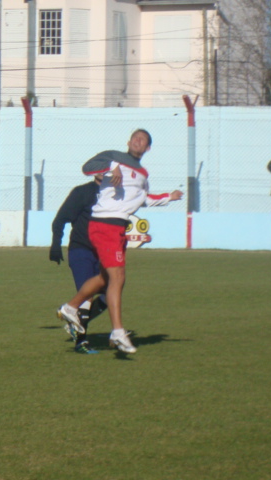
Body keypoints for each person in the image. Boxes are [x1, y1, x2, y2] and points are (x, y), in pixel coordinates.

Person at [57, 129, 183, 354]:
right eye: (135, 137)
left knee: (105, 278)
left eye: (142, 139)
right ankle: (117, 332)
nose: (137, 140)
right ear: (128, 141)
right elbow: (87, 168)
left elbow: (144, 199)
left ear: (147, 148)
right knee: (118, 277)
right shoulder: (113, 157)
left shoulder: (143, 174)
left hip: (117, 227)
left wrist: (169, 197)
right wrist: (111, 167)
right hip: (105, 223)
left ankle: (71, 307)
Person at [50, 175, 108, 354]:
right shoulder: (82, 192)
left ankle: (74, 320)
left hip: (103, 252)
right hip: (81, 250)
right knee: (86, 295)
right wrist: (56, 244)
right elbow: (60, 218)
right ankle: (81, 342)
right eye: (100, 168)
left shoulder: (113, 192)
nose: (103, 171)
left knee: (110, 294)